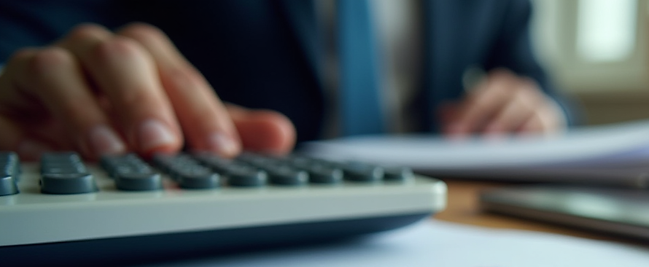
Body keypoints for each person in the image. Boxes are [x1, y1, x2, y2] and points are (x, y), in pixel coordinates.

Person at [0, 0, 573, 160]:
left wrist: (540, 109)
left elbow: (546, 88)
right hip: (218, 198)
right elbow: (24, 35)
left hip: (436, 212)